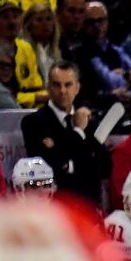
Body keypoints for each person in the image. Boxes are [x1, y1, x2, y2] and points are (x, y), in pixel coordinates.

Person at [19, 61, 108, 207]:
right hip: (55, 208)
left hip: (88, 206)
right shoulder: (33, 122)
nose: (62, 90)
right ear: (48, 88)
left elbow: (104, 166)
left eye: (68, 85)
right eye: (56, 84)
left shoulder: (89, 122)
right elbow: (48, 168)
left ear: (77, 88)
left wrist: (67, 163)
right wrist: (78, 132)